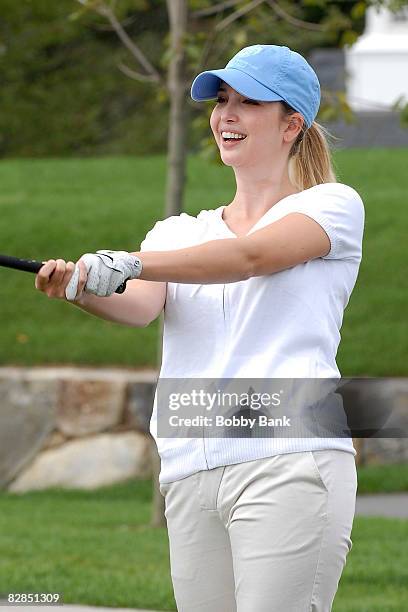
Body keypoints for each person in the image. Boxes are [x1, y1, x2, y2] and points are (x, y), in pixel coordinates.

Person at [35, 44, 365, 612]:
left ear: (292, 124)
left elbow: (250, 258)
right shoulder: (176, 231)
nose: (225, 115)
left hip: (287, 457)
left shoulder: (332, 207)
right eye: (220, 101)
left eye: (247, 102)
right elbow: (138, 306)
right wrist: (80, 289)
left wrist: (133, 261)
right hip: (192, 463)